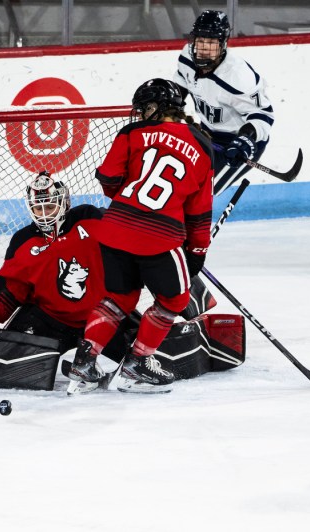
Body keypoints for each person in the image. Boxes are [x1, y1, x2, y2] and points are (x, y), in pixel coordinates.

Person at [0, 168, 242, 393]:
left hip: (106, 317)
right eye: (39, 207)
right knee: (3, 362)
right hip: (49, 320)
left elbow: (139, 250)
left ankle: (206, 336)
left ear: (64, 201)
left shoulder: (91, 219)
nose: (45, 212)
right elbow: (6, 291)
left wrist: (181, 276)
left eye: (50, 204)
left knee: (160, 354)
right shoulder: (24, 242)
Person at [68, 78, 215, 394]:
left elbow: (108, 178)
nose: (139, 114)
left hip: (115, 229)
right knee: (174, 299)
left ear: (162, 108)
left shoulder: (130, 134)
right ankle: (137, 365)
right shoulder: (201, 145)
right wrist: (198, 250)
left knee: (118, 298)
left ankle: (84, 363)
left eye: (145, 107)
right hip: (160, 237)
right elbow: (199, 212)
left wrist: (127, 197)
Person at [173, 10, 274, 196]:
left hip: (239, 143)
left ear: (223, 44)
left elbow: (263, 116)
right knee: (177, 179)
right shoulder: (187, 56)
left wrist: (244, 140)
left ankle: (193, 226)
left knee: (201, 194)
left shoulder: (239, 76)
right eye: (201, 41)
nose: (204, 48)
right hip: (205, 133)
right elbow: (181, 82)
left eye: (211, 43)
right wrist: (170, 102)